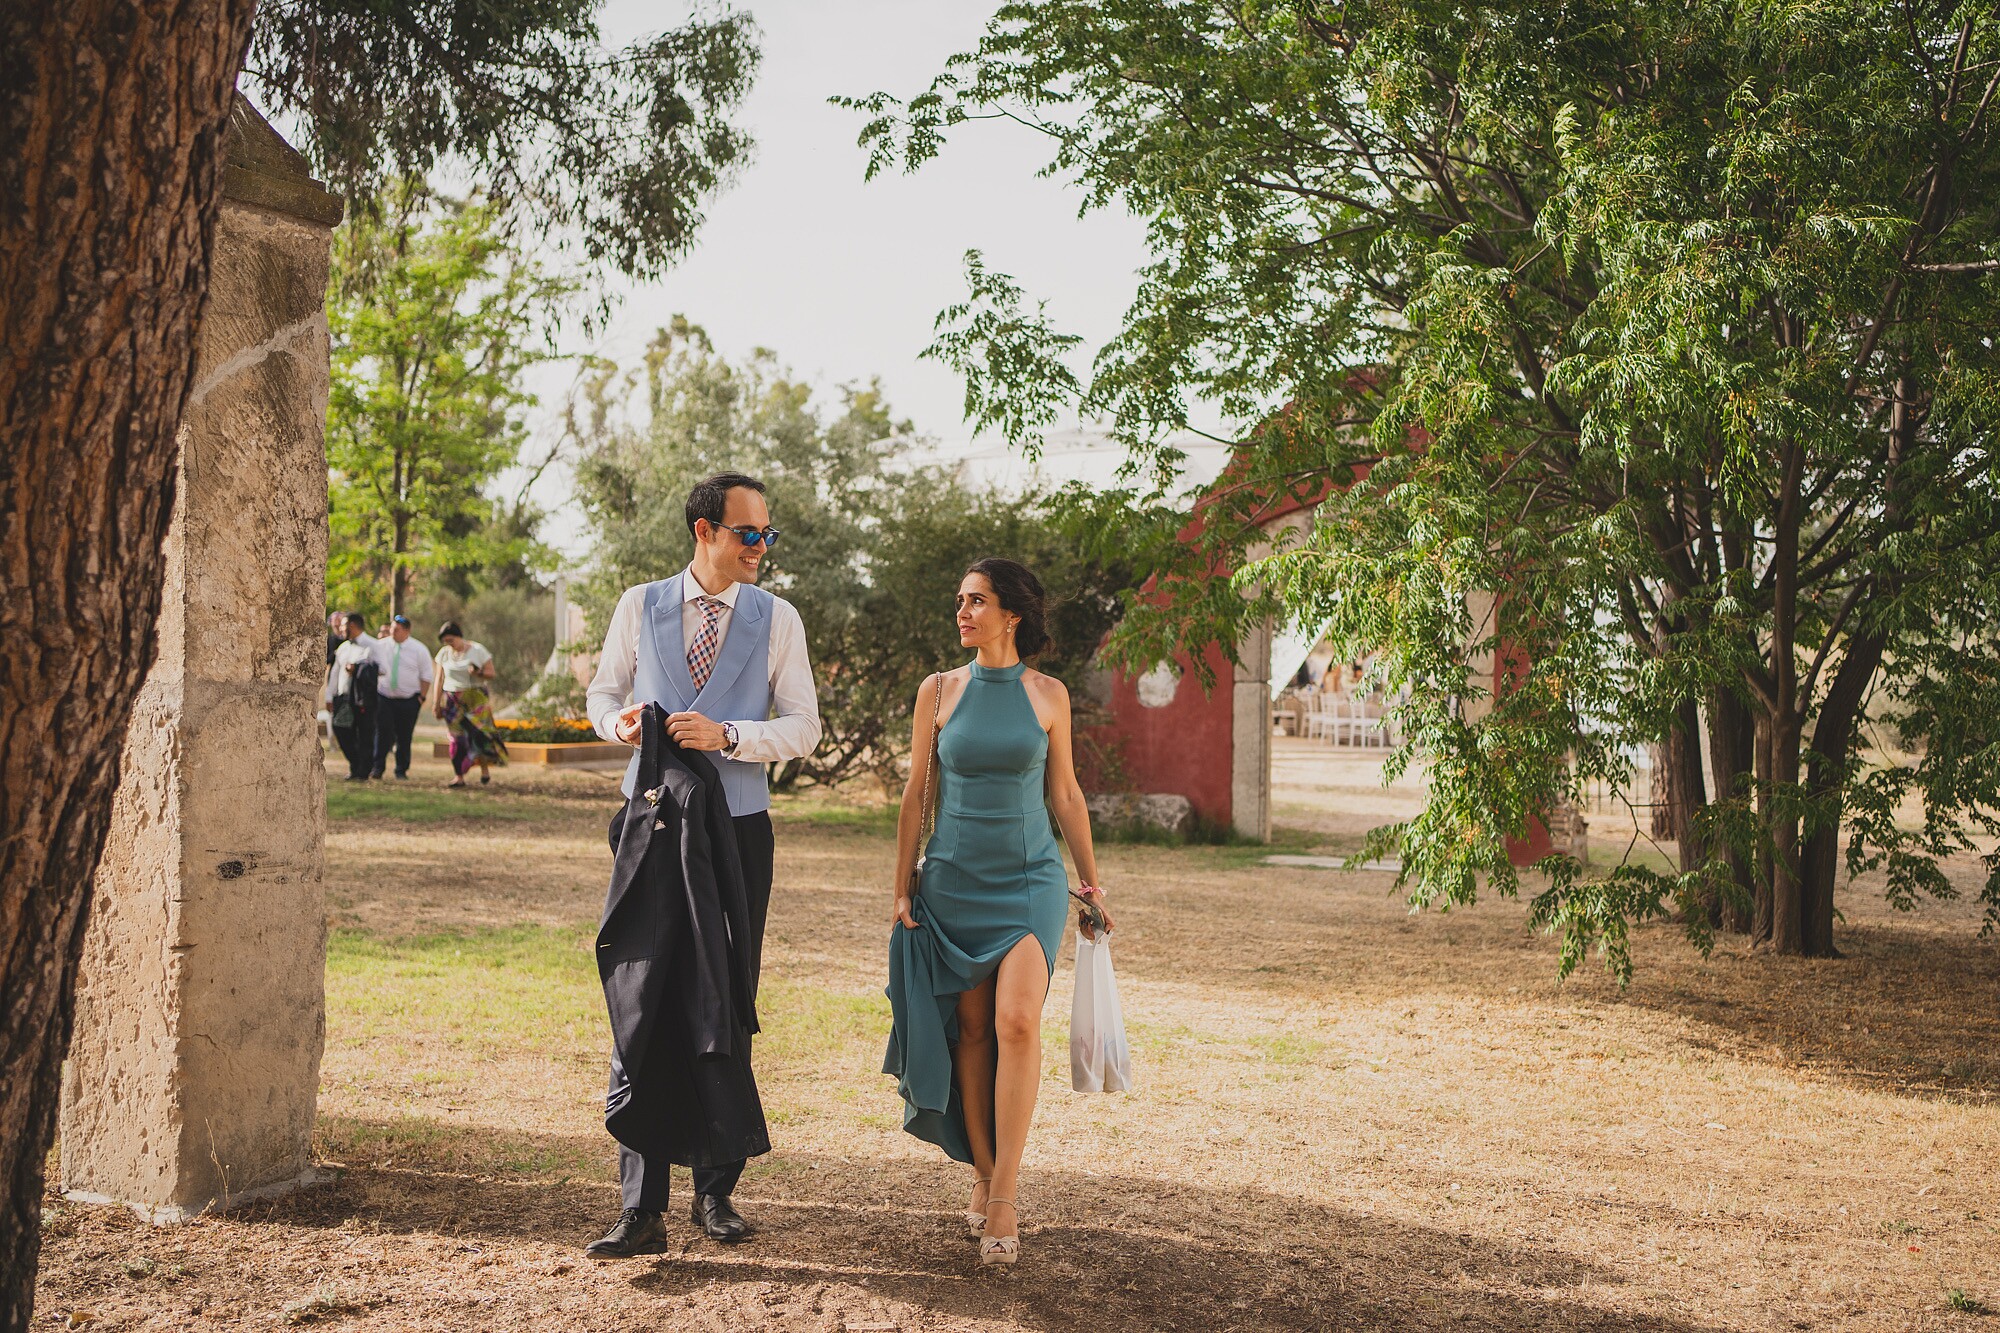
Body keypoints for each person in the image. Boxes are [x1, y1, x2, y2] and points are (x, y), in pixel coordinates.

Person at [581, 470, 822, 1259]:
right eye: (749, 533)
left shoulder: (777, 618)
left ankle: (716, 1193)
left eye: (767, 535)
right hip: (649, 825)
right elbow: (603, 692)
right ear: (704, 532)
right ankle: (638, 1206)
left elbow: (805, 726)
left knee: (727, 993)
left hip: (738, 833)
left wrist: (729, 736)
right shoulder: (638, 605)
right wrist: (619, 724)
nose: (761, 548)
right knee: (642, 992)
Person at [883, 557, 1112, 1268]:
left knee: (1017, 1020)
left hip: (1029, 881)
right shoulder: (939, 689)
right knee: (973, 1030)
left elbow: (1067, 795)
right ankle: (983, 1168)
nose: (962, 611)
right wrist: (900, 889)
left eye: (975, 600)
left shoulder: (1048, 694)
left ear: (1011, 612)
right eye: (959, 600)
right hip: (950, 882)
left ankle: (1005, 1190)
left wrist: (1091, 884)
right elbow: (917, 792)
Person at [429, 621, 506, 788]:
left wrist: (478, 672)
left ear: (459, 636)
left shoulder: (477, 650)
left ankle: (484, 770)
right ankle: (459, 776)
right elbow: (439, 679)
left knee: (480, 735)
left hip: (474, 697)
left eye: (451, 640)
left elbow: (491, 673)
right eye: (446, 641)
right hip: (452, 698)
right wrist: (436, 703)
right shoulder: (444, 654)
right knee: (456, 738)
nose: (449, 644)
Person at [371, 614, 433, 780]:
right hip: (384, 697)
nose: (392, 632)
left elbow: (426, 675)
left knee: (404, 736)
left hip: (409, 700)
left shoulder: (419, 649)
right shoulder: (380, 646)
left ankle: (401, 770)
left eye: (396, 630)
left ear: (407, 631)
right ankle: (377, 767)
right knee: (382, 733)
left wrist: (422, 697)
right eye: (391, 629)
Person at [327, 613, 380, 782]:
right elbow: (335, 673)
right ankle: (355, 762)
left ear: (353, 626)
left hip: (363, 697)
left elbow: (382, 670)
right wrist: (330, 695)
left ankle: (362, 771)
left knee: (364, 733)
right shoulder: (343, 647)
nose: (340, 629)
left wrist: (359, 669)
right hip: (343, 696)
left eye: (343, 626)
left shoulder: (372, 645)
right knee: (341, 729)